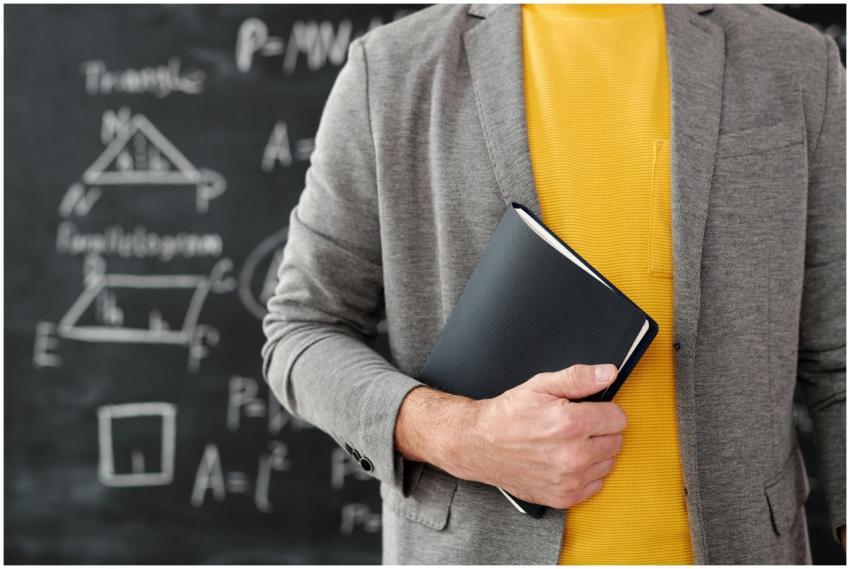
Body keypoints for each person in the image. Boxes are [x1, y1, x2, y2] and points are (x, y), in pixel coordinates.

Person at [261, 3, 845, 564]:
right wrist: (462, 435)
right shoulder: (389, 70)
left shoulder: (797, 63)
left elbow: (841, 355)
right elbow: (302, 329)